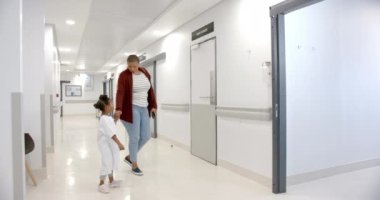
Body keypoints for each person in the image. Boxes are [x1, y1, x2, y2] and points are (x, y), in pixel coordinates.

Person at [114, 54, 157, 176]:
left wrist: (153, 105)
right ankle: (134, 164)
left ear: (139, 64)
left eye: (134, 66)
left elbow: (150, 91)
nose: (131, 68)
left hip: (144, 108)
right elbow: (120, 93)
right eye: (129, 66)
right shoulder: (124, 75)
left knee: (146, 136)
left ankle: (129, 156)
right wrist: (118, 108)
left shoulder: (145, 73)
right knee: (135, 137)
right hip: (131, 107)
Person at [94, 95, 125, 194]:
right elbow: (111, 134)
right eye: (111, 103)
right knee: (106, 161)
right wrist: (119, 143)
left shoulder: (107, 117)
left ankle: (111, 181)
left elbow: (112, 127)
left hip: (109, 143)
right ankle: (101, 183)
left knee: (110, 160)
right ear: (106, 106)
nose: (113, 105)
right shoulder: (104, 119)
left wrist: (115, 118)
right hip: (104, 144)